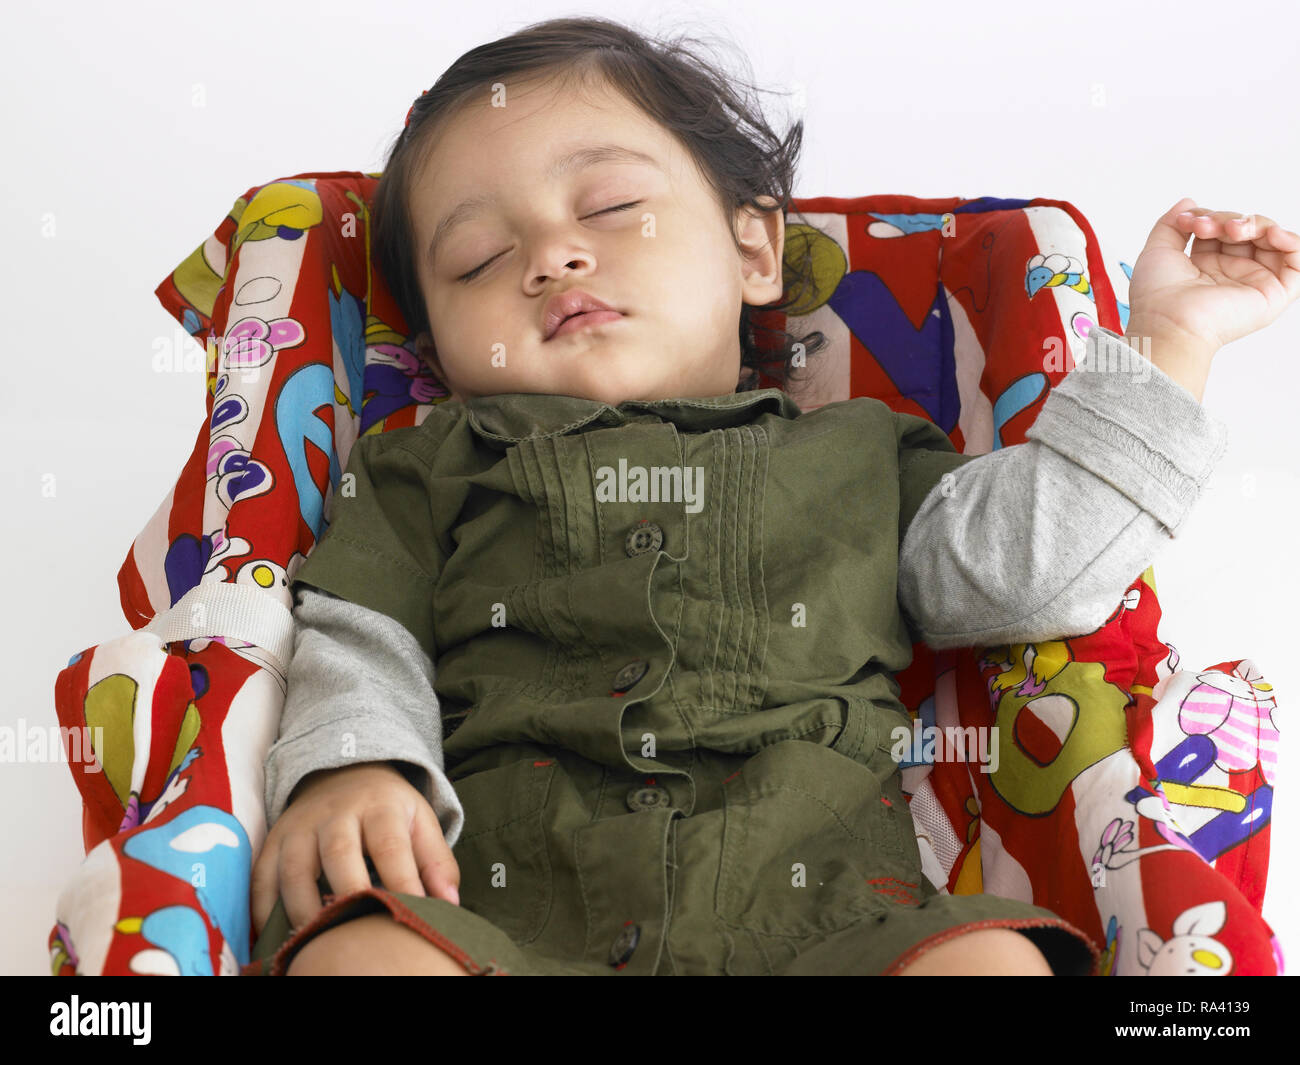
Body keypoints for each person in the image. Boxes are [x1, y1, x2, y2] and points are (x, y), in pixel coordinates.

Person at [241, 16, 1299, 977]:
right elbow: (356, 633)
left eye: (610, 207)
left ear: (754, 250)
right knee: (358, 961)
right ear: (438, 349)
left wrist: (1170, 343)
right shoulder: (427, 464)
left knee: (991, 967)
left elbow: (1035, 574)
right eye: (477, 258)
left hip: (832, 925)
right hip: (499, 919)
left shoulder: (862, 459)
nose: (553, 257)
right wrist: (354, 767)